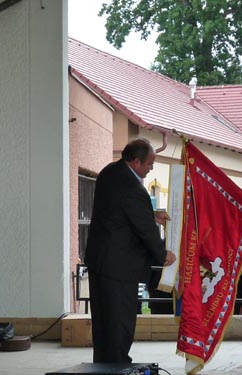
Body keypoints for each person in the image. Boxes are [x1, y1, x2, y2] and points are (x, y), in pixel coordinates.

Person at [84, 138, 176, 363]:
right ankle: (118, 365)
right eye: (149, 164)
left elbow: (120, 211)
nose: (151, 168)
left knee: (104, 322)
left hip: (101, 260)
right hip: (119, 267)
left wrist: (152, 214)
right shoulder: (133, 187)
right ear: (136, 162)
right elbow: (143, 228)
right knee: (119, 322)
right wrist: (162, 254)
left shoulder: (111, 172)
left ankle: (104, 364)